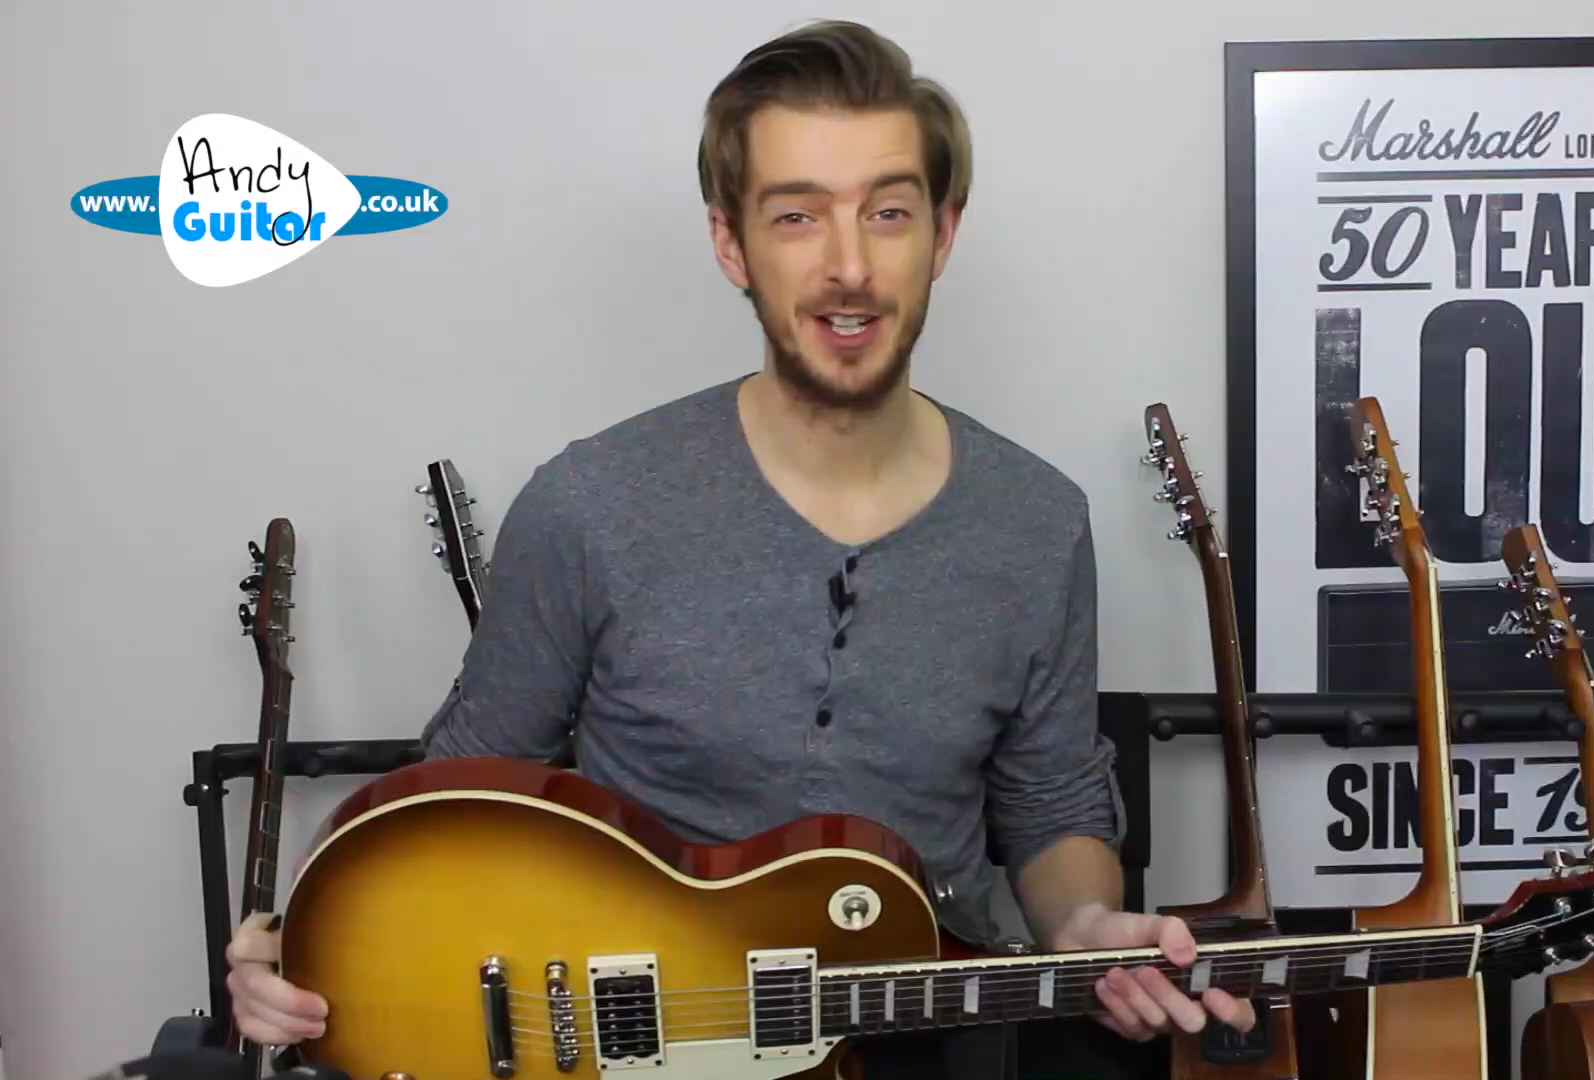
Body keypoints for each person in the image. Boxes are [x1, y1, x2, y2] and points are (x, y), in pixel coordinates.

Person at [224, 17, 1255, 1077]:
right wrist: (310, 941)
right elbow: (452, 797)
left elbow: (1051, 806)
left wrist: (1089, 929)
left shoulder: (1037, 521)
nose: (849, 267)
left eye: (889, 212)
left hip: (919, 1040)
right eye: (797, 216)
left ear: (943, 234)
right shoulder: (592, 505)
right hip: (640, 1050)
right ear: (732, 245)